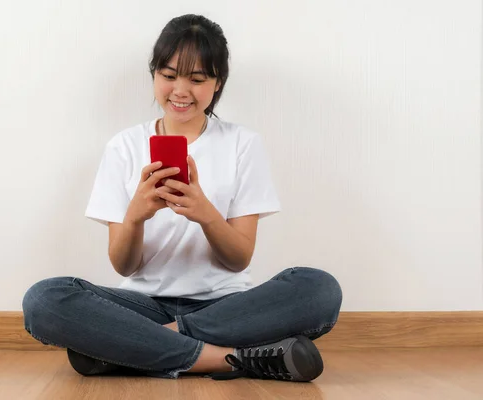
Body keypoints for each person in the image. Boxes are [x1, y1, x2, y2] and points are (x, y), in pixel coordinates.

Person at [22, 14, 342, 382]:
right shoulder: (124, 146)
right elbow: (124, 266)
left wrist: (206, 214)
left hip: (226, 305)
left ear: (217, 82)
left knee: (319, 288)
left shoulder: (242, 144)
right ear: (154, 74)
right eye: (169, 75)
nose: (180, 90)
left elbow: (238, 260)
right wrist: (135, 217)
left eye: (197, 78)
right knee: (44, 299)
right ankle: (231, 359)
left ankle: (135, 347)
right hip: (144, 307)